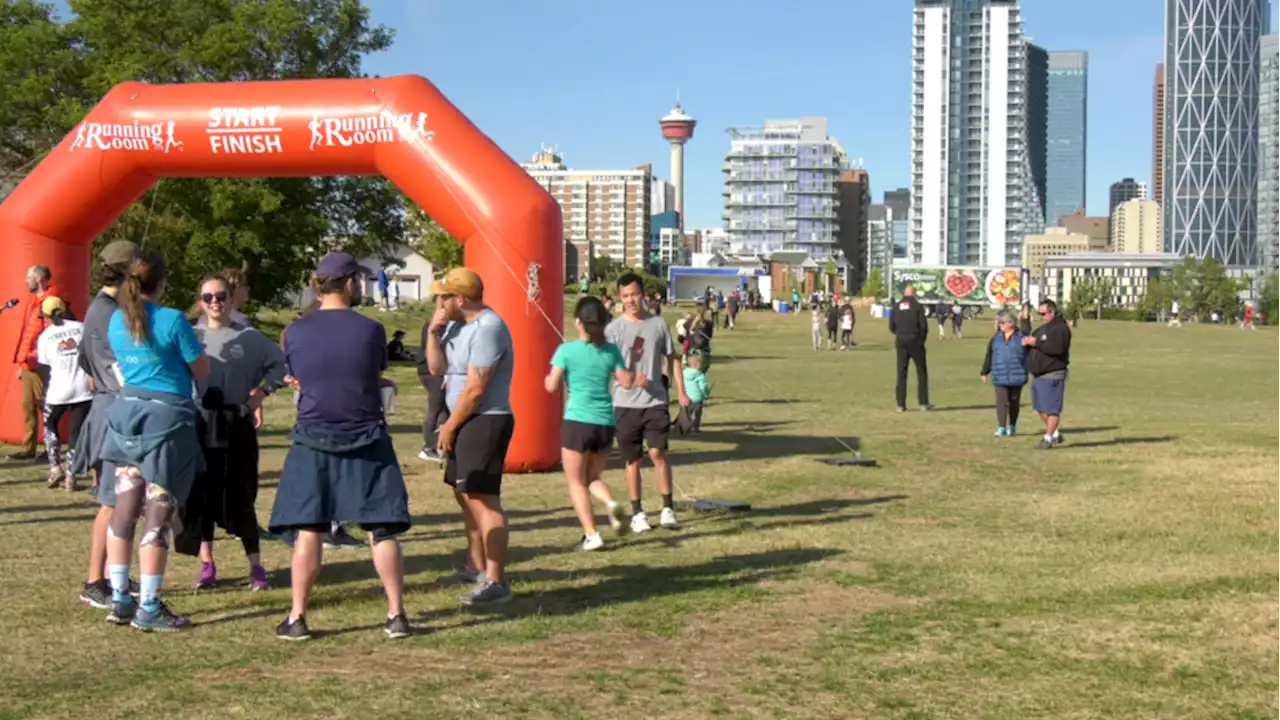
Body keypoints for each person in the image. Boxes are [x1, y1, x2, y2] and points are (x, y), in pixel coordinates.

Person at [270, 252, 411, 640]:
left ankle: (297, 617)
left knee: (309, 528)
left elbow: (300, 376)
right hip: (365, 434)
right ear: (349, 283)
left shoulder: (294, 332)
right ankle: (396, 614)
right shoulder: (372, 330)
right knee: (380, 528)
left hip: (313, 435)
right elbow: (371, 374)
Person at [99, 249, 210, 631]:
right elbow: (201, 367)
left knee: (124, 509)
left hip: (126, 416)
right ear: (161, 282)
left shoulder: (117, 321)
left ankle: (119, 597)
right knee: (159, 512)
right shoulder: (173, 320)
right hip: (167, 419)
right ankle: (149, 605)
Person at [182, 276, 287, 593]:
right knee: (203, 496)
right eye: (208, 297)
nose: (215, 302)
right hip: (200, 423)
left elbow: (280, 365)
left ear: (231, 299)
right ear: (200, 301)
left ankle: (256, 565)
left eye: (221, 296)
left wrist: (258, 397)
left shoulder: (250, 337)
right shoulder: (190, 335)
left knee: (241, 494)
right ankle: (207, 564)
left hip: (235, 422)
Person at [426, 267, 516, 606]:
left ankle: (496, 580)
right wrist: (433, 334)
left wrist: (449, 426)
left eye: (444, 296)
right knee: (464, 496)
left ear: (460, 299)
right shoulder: (455, 327)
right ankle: (474, 567)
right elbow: (437, 369)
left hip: (485, 420)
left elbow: (477, 388)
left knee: (482, 499)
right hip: (463, 420)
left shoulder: (489, 328)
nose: (440, 301)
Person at [72, 241, 139, 610]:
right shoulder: (109, 313)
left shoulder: (99, 309)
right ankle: (96, 581)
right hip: (114, 410)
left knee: (120, 500)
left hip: (108, 407)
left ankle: (112, 573)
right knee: (112, 503)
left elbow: (87, 363)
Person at [544, 296, 639, 551]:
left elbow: (551, 387)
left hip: (577, 421)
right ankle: (610, 504)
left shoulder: (566, 350)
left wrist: (551, 374)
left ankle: (592, 535)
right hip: (605, 423)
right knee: (592, 476)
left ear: (578, 322)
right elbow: (627, 382)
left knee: (576, 482)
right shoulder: (610, 352)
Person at [607, 272, 691, 533]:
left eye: (634, 294)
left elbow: (672, 358)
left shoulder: (658, 325)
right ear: (620, 298)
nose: (630, 300)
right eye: (625, 296)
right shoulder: (613, 330)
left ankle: (667, 508)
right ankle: (638, 513)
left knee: (657, 453)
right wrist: (628, 377)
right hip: (625, 404)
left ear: (642, 294)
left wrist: (682, 390)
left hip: (656, 400)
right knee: (632, 460)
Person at [37, 297, 91, 490]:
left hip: (58, 388)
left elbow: (43, 367)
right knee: (76, 432)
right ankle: (71, 476)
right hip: (83, 387)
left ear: (46, 315)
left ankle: (55, 467)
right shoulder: (81, 327)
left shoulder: (45, 336)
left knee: (50, 424)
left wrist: (45, 390)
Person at [12, 264, 59, 461]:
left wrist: (33, 356)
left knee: (43, 405)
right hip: (29, 363)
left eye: (28, 277)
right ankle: (28, 447)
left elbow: (49, 335)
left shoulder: (49, 303)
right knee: (28, 405)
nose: (25, 281)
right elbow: (27, 334)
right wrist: (21, 363)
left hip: (39, 364)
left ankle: (50, 447)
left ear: (39, 279)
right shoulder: (33, 302)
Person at [1023, 299, 1072, 450]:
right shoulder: (1042, 329)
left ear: (1052, 312)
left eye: (1043, 313)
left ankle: (1048, 438)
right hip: (1038, 375)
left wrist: (1037, 343)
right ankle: (1056, 434)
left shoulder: (1061, 329)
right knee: (1040, 408)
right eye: (1040, 313)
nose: (1041, 316)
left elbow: (1058, 349)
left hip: (1053, 374)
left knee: (1052, 409)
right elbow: (1032, 341)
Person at [980, 312, 1029, 438]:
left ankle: (1012, 426)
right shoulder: (996, 338)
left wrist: (1025, 318)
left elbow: (1030, 352)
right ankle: (1001, 427)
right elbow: (989, 355)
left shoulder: (1021, 336)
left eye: (1002, 322)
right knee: (1001, 402)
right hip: (999, 374)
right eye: (999, 323)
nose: (1000, 325)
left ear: (1011, 323)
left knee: (1014, 402)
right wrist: (985, 371)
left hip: (1016, 374)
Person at [890, 286, 932, 412]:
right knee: (921, 371)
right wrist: (921, 340)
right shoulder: (917, 306)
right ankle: (923, 403)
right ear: (913, 294)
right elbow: (924, 326)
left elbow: (891, 326)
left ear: (904, 293)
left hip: (901, 340)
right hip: (915, 340)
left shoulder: (896, 307)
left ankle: (901, 404)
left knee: (901, 372)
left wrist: (900, 333)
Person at [682, 350, 710, 432]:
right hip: (697, 399)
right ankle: (695, 428)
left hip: (687, 397)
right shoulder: (700, 375)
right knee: (697, 415)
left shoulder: (684, 373)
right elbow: (703, 387)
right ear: (697, 364)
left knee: (687, 414)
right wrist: (706, 393)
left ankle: (684, 427)